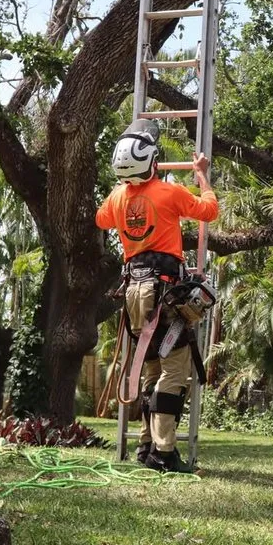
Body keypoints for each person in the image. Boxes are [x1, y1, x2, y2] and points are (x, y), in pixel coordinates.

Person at [96, 119, 219, 473]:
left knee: (151, 367)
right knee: (174, 370)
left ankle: (146, 446)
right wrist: (201, 176)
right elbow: (209, 210)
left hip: (134, 291)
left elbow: (102, 220)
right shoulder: (168, 193)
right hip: (164, 291)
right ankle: (165, 452)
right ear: (151, 161)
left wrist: (124, 193)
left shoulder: (117, 198)